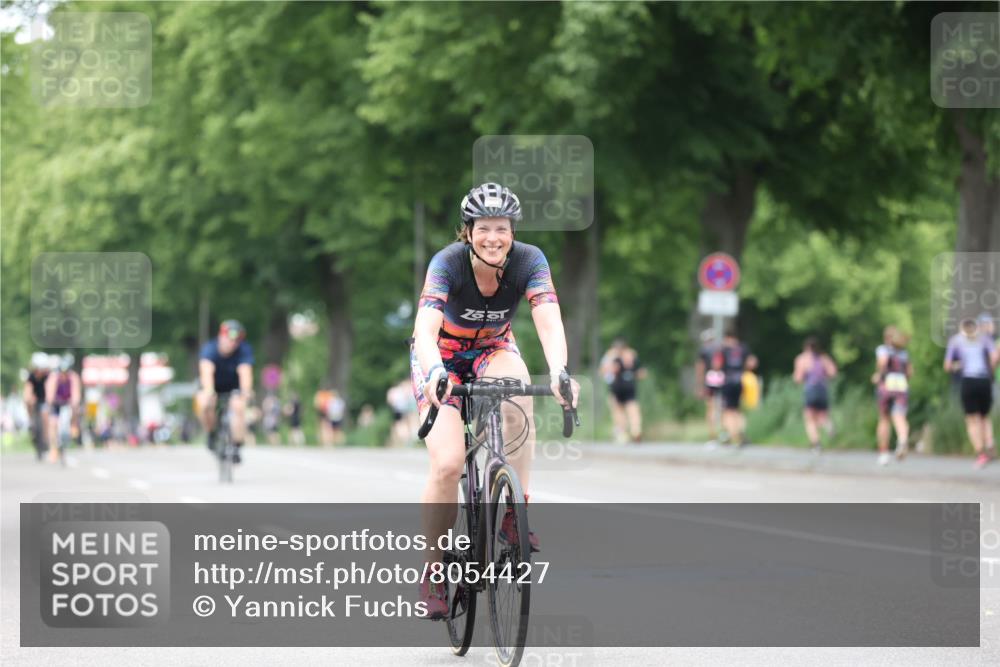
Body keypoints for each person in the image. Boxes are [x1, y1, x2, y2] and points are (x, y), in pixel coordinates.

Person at [410, 182, 579, 619]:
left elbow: (548, 321)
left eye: (501, 228)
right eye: (483, 228)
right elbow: (426, 330)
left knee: (519, 394)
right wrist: (434, 374)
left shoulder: (530, 261)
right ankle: (433, 571)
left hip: (492, 350)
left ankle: (513, 510)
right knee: (447, 464)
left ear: (512, 231)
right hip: (441, 358)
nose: (493, 237)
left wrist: (560, 372)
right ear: (468, 231)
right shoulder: (447, 264)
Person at [196, 320, 254, 464]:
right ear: (221, 336)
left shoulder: (244, 349)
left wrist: (246, 391)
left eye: (236, 340)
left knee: (239, 407)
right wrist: (209, 391)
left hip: (234, 386)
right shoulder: (210, 348)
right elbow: (206, 370)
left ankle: (236, 445)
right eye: (229, 338)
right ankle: (211, 433)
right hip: (213, 385)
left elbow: (245, 371)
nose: (232, 343)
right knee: (204, 403)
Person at [945, 318, 997, 468]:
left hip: (968, 381)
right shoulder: (984, 339)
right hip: (984, 380)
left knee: (971, 419)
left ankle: (981, 453)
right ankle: (989, 442)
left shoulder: (956, 340)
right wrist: (991, 372)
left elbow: (947, 366)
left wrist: (958, 365)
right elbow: (994, 358)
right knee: (984, 416)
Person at [872, 326, 911, 465]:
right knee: (900, 417)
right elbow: (910, 373)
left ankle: (883, 453)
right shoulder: (904, 353)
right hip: (901, 386)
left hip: (886, 386)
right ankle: (902, 440)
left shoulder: (883, 349)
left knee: (884, 419)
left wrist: (878, 375)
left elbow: (882, 364)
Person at [712, 329, 757, 447]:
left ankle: (732, 436)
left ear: (726, 337)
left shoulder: (723, 349)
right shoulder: (743, 348)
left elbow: (716, 365)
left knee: (728, 410)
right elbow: (752, 363)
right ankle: (740, 433)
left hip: (727, 381)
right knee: (737, 409)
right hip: (740, 381)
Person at [793, 337, 838, 452]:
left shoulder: (802, 359)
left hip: (811, 389)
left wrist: (803, 377)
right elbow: (833, 373)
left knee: (809, 419)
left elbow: (797, 378)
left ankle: (816, 444)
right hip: (823, 388)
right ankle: (828, 426)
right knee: (822, 416)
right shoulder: (824, 358)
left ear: (806, 347)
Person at [600, 337, 647, 443]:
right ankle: (635, 430)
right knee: (633, 410)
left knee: (618, 412)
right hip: (629, 386)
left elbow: (605, 372)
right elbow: (642, 372)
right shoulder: (632, 355)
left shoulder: (610, 357)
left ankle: (622, 433)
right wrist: (632, 375)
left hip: (616, 387)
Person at [44, 353, 82, 463]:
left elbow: (76, 393)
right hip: (56, 403)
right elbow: (50, 392)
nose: (64, 375)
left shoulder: (73, 377)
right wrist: (50, 400)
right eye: (62, 373)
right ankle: (53, 448)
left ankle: (74, 425)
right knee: (53, 423)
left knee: (75, 409)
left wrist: (74, 402)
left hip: (67, 402)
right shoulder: (54, 377)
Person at [695, 330, 724, 443]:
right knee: (722, 406)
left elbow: (700, 368)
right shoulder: (720, 349)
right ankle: (724, 432)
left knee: (710, 407)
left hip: (710, 377)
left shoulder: (703, 351)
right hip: (721, 378)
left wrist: (699, 385)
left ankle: (712, 435)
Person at [22, 352, 51, 461]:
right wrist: (28, 399)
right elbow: (27, 390)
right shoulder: (31, 377)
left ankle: (46, 441)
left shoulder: (48, 376)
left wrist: (49, 400)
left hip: (44, 400)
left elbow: (49, 389)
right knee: (29, 405)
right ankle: (30, 421)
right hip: (34, 401)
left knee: (45, 417)